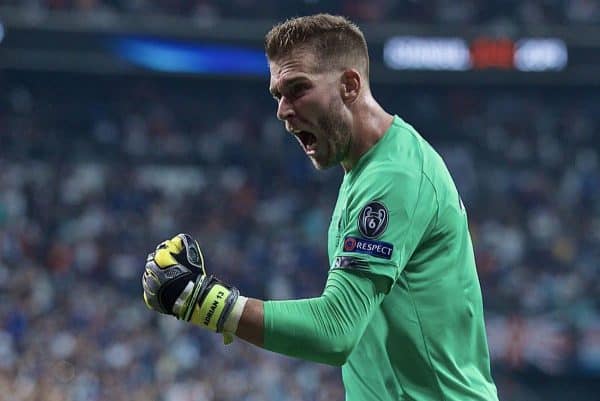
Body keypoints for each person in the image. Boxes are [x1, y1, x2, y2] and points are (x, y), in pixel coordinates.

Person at [142, 13, 499, 401]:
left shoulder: (394, 177)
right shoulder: (366, 170)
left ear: (349, 85)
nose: (282, 111)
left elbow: (335, 330)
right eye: (277, 95)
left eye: (297, 89)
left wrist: (203, 301)